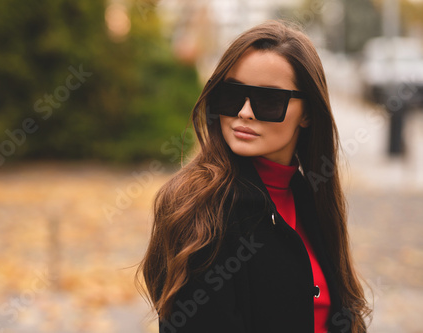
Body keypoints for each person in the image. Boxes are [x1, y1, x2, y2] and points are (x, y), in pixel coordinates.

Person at [135, 20, 371, 333]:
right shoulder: (202, 211)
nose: (244, 112)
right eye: (232, 95)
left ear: (309, 113)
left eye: (269, 100)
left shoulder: (310, 198)